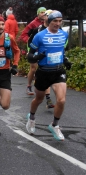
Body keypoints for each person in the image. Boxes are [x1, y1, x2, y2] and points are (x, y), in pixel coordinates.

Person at [26, 11, 70, 141]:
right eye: (54, 21)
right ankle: (32, 118)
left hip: (58, 71)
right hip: (44, 72)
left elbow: (62, 50)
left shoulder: (64, 35)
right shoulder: (39, 36)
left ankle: (54, 125)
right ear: (48, 22)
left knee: (61, 100)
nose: (57, 23)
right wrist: (37, 57)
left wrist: (65, 60)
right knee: (38, 100)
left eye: (59, 21)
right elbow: (29, 56)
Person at [26, 9, 55, 109]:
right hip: (35, 51)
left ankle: (48, 98)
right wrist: (31, 52)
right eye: (50, 16)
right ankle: (29, 85)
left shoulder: (54, 30)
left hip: (46, 55)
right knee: (33, 69)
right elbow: (29, 41)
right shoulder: (38, 29)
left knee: (45, 72)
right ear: (45, 18)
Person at [19, 7, 46, 95]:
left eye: (44, 12)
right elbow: (24, 35)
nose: (43, 14)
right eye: (41, 12)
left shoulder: (48, 24)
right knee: (33, 68)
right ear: (38, 14)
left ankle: (41, 86)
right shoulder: (33, 24)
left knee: (43, 68)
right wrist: (31, 43)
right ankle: (29, 86)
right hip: (33, 48)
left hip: (43, 48)